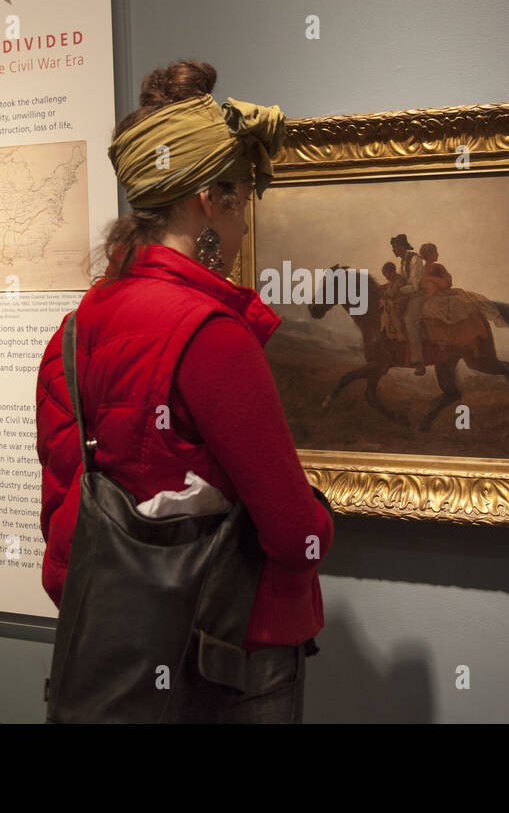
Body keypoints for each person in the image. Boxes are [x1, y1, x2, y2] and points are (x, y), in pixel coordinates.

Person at [35, 59, 334, 723]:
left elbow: (67, 545)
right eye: (242, 201)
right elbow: (292, 536)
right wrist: (321, 519)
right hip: (228, 665)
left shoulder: (75, 333)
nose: (244, 227)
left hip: (114, 663)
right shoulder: (210, 336)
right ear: (207, 200)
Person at [390, 234, 427, 374]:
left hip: (417, 295)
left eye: (395, 247)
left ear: (403, 246)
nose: (393, 250)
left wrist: (398, 291)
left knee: (410, 320)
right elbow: (400, 280)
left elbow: (414, 285)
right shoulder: (402, 262)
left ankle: (419, 362)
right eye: (393, 247)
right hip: (407, 294)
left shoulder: (414, 259)